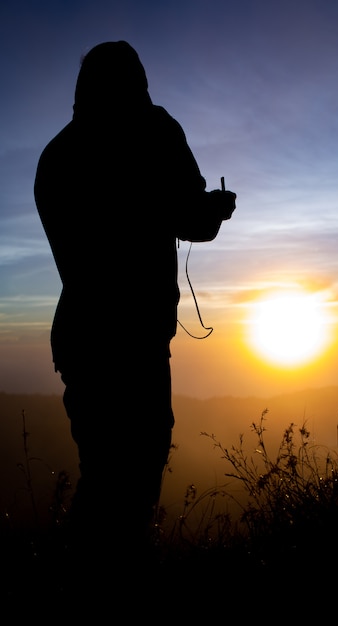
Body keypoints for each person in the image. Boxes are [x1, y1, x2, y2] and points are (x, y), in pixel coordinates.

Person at [33, 40, 236, 570]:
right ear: (135, 84)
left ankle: (84, 574)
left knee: (101, 475)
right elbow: (190, 217)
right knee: (136, 475)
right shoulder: (151, 132)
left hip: (81, 339)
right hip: (135, 342)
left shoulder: (56, 156)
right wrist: (215, 210)